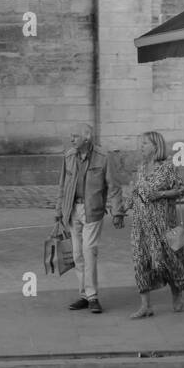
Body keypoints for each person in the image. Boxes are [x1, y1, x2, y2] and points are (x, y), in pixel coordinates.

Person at [54, 124, 124, 314]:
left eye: (75, 136)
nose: (72, 139)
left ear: (87, 138)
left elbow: (114, 187)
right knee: (77, 254)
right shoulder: (69, 156)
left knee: (88, 250)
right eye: (71, 136)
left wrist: (118, 212)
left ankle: (92, 297)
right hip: (72, 209)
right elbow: (62, 184)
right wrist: (59, 211)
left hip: (92, 210)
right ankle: (84, 295)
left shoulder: (103, 157)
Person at [125, 131, 184, 317]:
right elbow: (135, 193)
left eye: (145, 143)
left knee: (166, 261)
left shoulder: (167, 168)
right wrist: (122, 210)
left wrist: (161, 194)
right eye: (142, 143)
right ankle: (145, 305)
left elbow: (181, 190)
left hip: (162, 225)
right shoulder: (141, 168)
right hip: (140, 225)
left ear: (156, 146)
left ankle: (177, 296)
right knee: (139, 261)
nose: (142, 146)